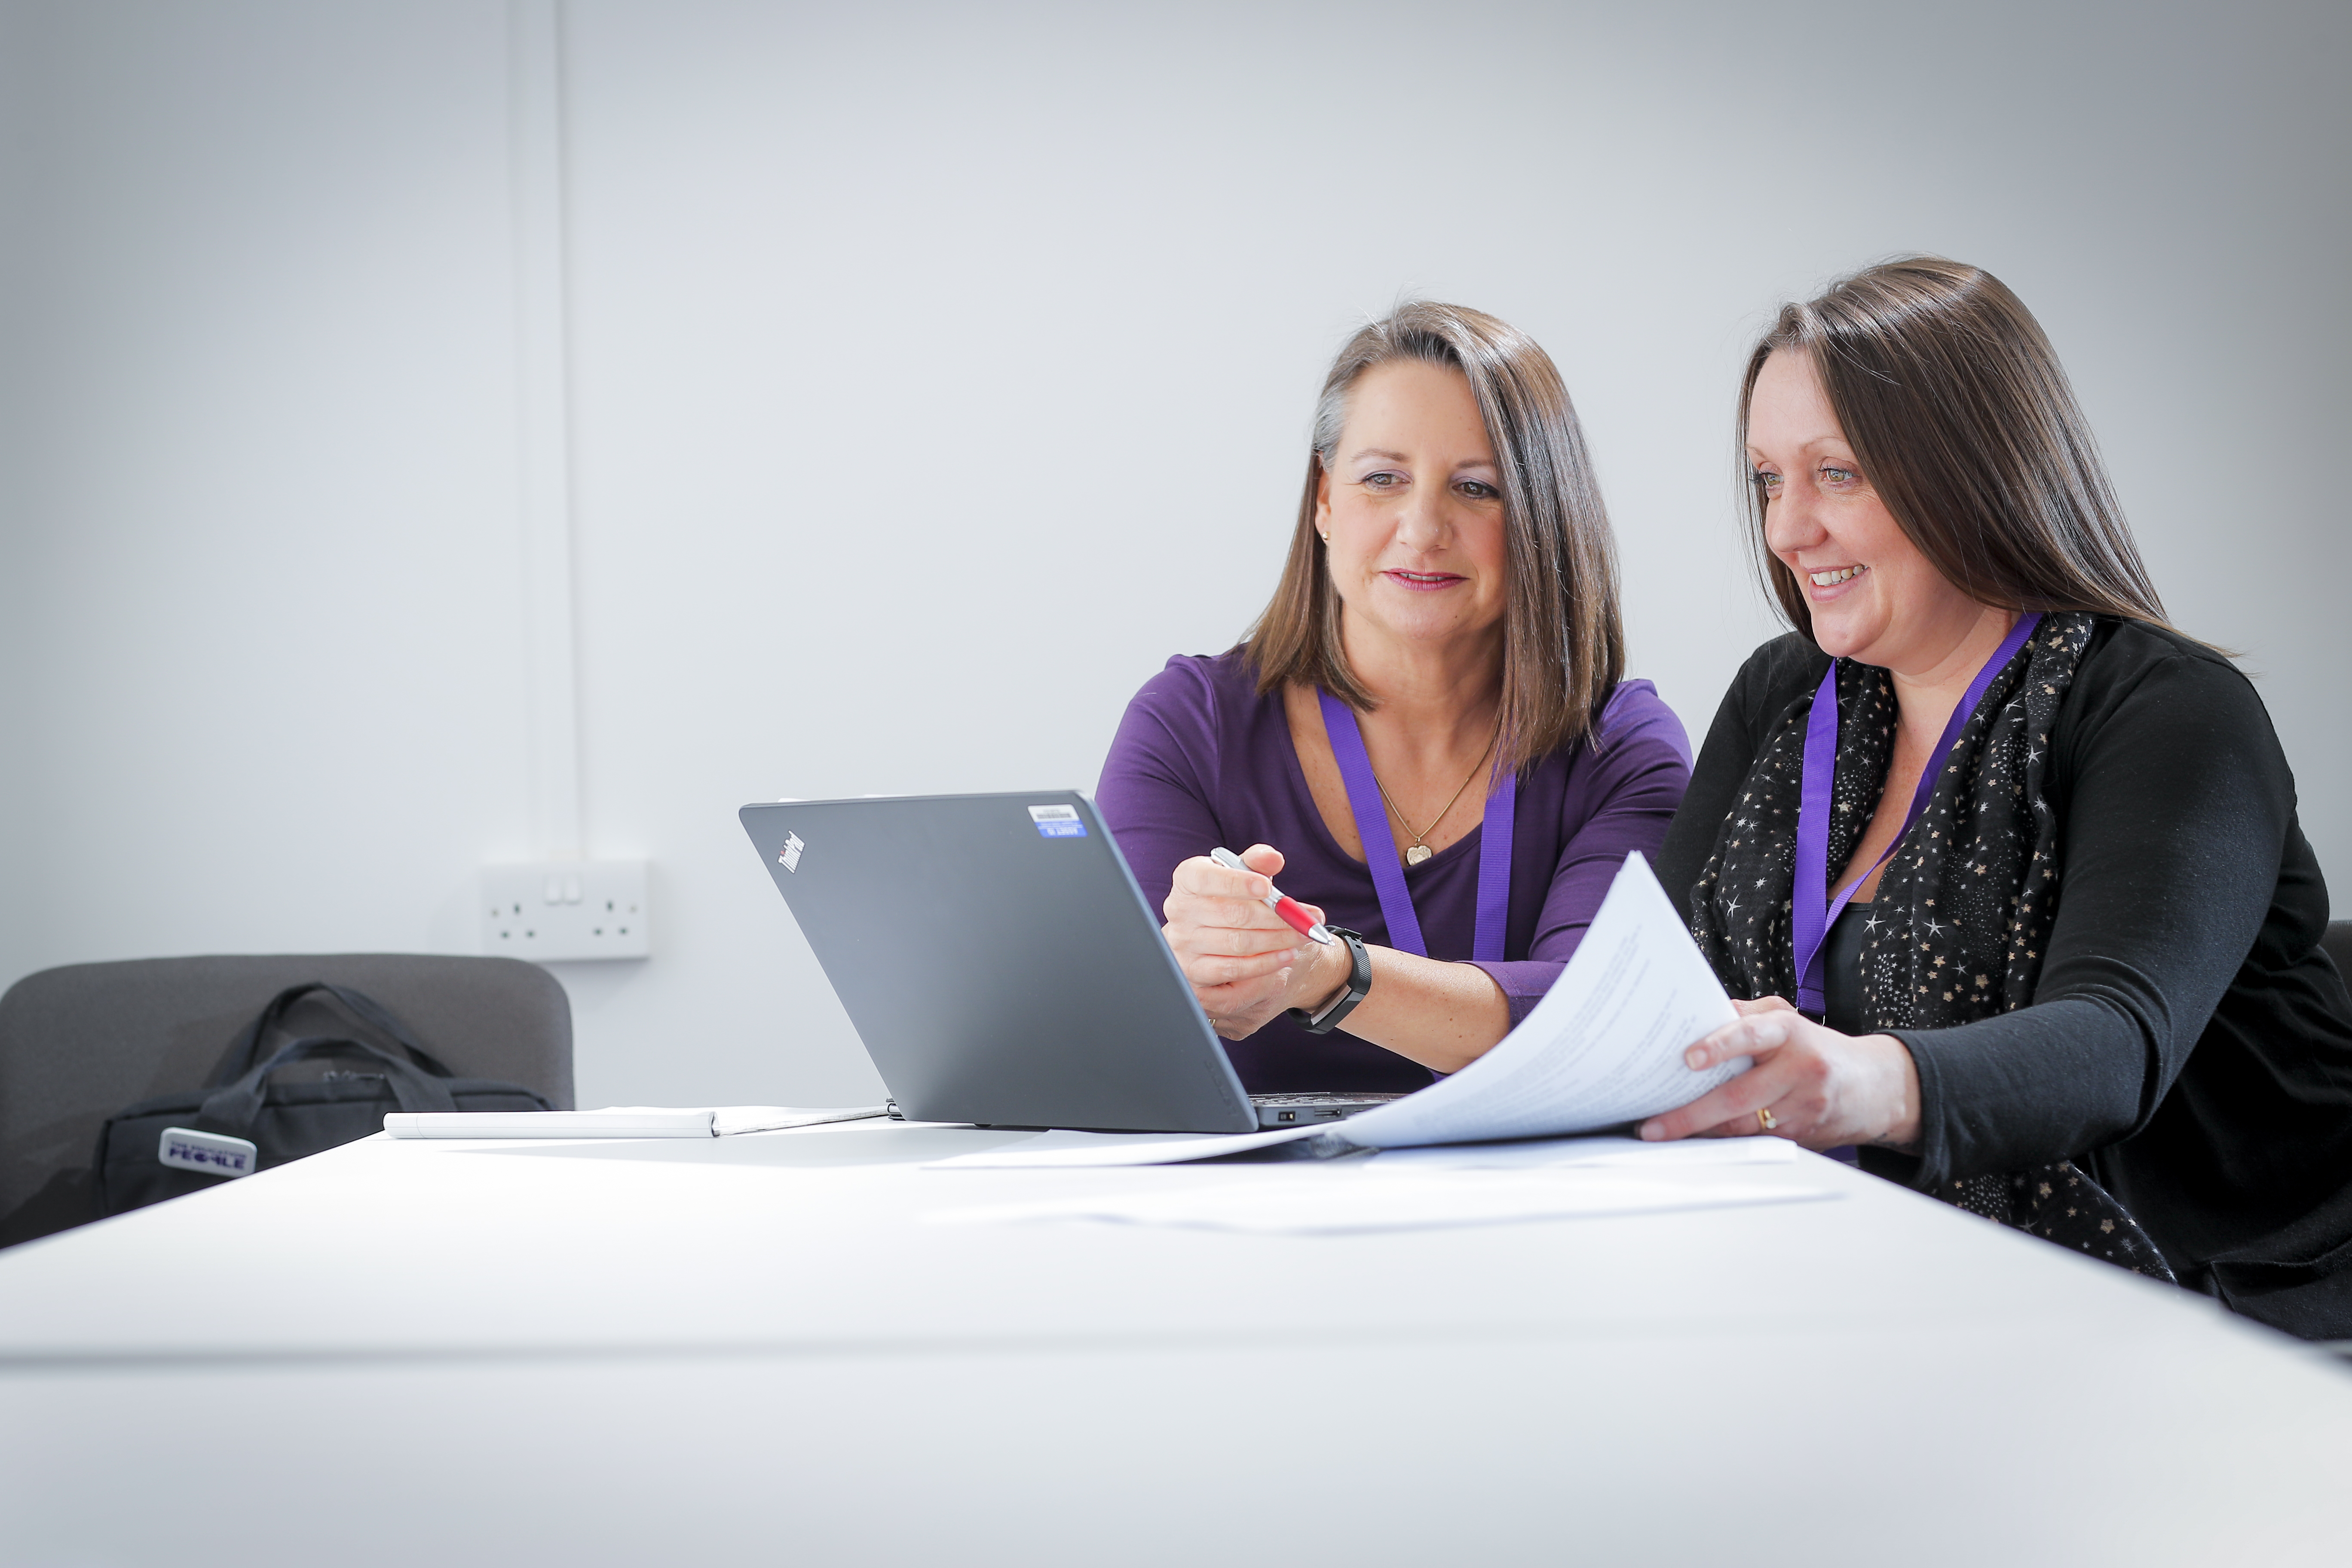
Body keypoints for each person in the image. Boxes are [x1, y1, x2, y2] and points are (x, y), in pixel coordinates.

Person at [1647, 256, 2352, 1338]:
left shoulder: (2171, 710)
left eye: (1836, 474)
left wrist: (1853, 1084)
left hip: (2234, 1299)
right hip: (1895, 1272)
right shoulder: (1785, 697)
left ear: (1967, 471)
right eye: (1768, 479)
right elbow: (1661, 993)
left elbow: (2111, 1043)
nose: (1789, 531)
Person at [1096, 302, 1692, 1094]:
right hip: (1250, 1208)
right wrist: (1191, 961)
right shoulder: (1188, 724)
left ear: (1542, 520)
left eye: (1477, 489)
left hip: (1532, 1207)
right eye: (1383, 478)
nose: (1422, 528)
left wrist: (1325, 972)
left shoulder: (1621, 746)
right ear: (1324, 501)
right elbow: (1129, 1026)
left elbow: (1594, 1022)